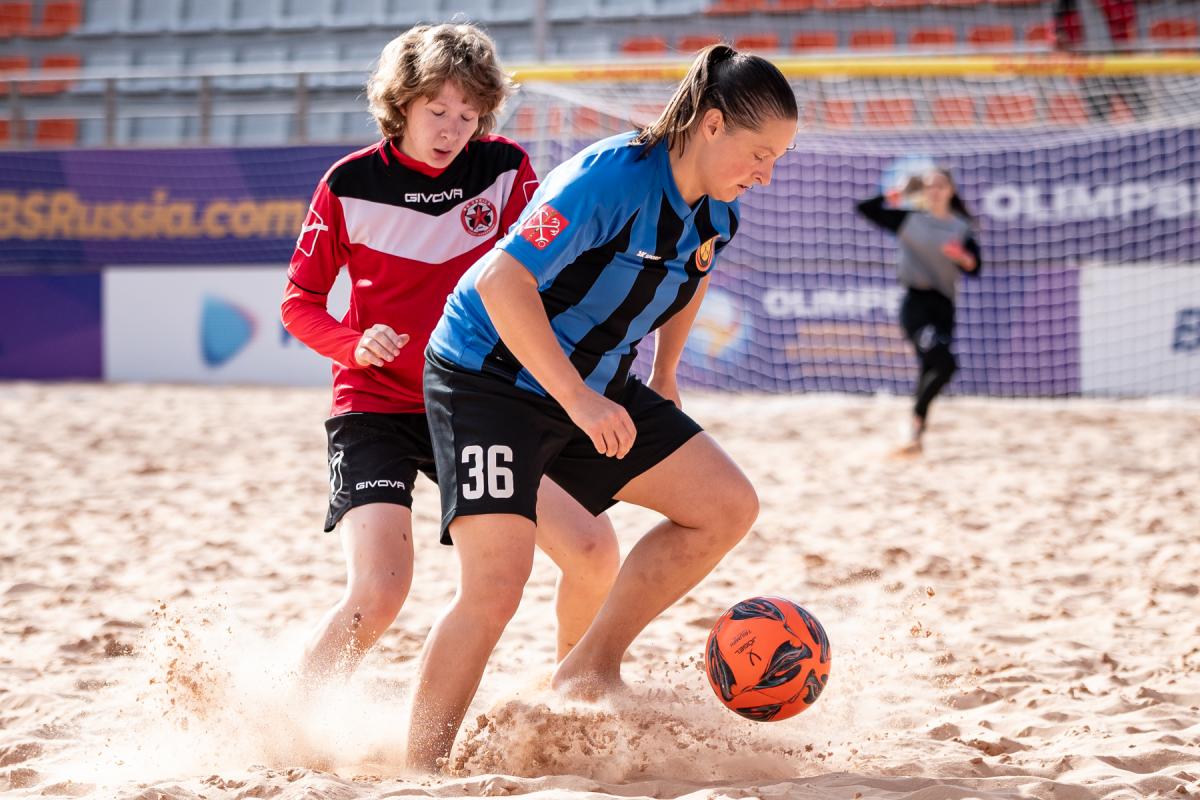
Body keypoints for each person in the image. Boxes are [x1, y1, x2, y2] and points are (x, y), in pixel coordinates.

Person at [406, 43, 798, 771]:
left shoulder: (719, 210)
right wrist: (579, 400)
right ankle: (419, 772)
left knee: (726, 507)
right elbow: (500, 282)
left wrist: (667, 373)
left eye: (778, 159)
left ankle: (588, 668)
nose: (766, 173)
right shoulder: (608, 177)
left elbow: (692, 276)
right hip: (487, 377)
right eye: (760, 153)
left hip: (594, 379)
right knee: (496, 587)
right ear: (713, 124)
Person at [280, 23, 619, 687]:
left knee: (591, 549)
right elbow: (300, 302)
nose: (452, 129)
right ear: (401, 103)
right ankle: (287, 716)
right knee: (379, 593)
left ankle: (572, 696)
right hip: (374, 406)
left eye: (468, 115)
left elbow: (547, 272)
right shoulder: (348, 183)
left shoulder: (505, 169)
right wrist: (354, 344)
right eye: (437, 110)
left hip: (473, 400)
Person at [856, 168, 982, 457]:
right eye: (929, 186)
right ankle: (913, 425)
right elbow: (865, 209)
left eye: (940, 185)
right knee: (944, 363)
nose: (935, 190)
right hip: (915, 305)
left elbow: (976, 267)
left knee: (932, 369)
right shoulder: (910, 219)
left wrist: (963, 257)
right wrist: (898, 192)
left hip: (944, 306)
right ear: (922, 191)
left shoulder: (960, 227)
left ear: (951, 190)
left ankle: (914, 432)